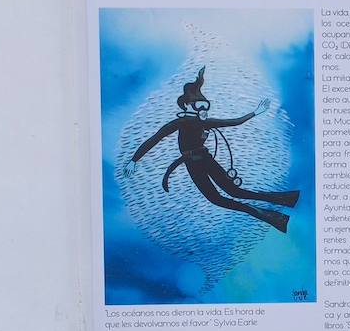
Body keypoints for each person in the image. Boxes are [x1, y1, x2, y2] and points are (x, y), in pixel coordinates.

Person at [123, 67, 301, 232]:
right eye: (199, 106)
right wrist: (134, 159)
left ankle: (284, 202)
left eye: (205, 105)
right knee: (218, 198)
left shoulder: (205, 122)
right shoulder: (180, 122)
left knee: (233, 192)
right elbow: (156, 138)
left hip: (204, 159)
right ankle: (277, 212)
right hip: (194, 163)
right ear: (187, 106)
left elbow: (233, 122)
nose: (204, 110)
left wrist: (254, 113)